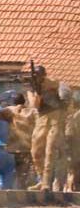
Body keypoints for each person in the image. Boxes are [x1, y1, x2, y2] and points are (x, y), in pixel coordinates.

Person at [27, 63, 65, 191]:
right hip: (42, 118)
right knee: (36, 151)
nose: (39, 78)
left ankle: (46, 183)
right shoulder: (31, 89)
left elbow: (57, 85)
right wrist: (37, 93)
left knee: (50, 149)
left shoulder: (52, 83)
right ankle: (41, 179)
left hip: (55, 117)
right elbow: (35, 105)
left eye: (40, 75)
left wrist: (43, 86)